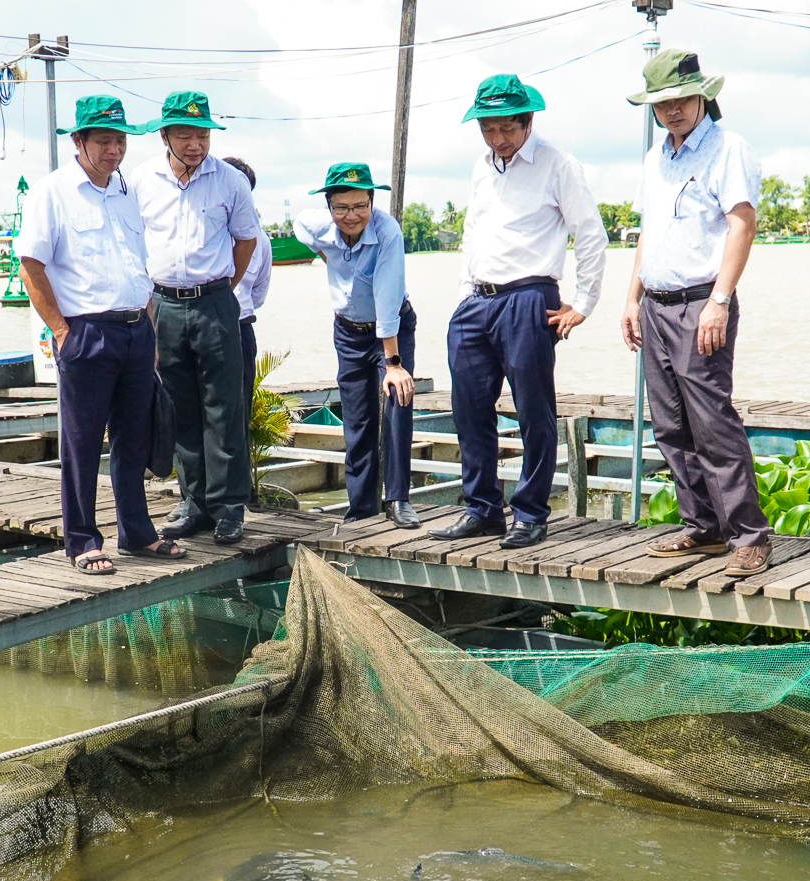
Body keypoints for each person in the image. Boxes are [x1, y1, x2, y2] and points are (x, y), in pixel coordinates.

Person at [428, 74, 607, 549]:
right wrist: (466, 289)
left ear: (527, 121)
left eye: (507, 128)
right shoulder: (481, 167)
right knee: (468, 410)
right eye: (488, 129)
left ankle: (530, 513)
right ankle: (482, 509)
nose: (498, 139)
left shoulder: (558, 163)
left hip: (530, 297)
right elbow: (473, 228)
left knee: (533, 411)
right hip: (477, 301)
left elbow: (589, 234)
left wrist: (584, 304)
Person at [621, 49, 773, 577]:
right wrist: (630, 298)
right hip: (656, 306)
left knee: (712, 422)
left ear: (702, 95)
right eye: (661, 104)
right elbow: (649, 233)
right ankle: (704, 526)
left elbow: (741, 226)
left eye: (681, 99)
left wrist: (720, 301)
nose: (672, 110)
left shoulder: (728, 148)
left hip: (702, 302)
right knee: (669, 425)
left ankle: (749, 535)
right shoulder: (654, 157)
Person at [16, 96, 182, 575]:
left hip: (134, 329)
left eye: (121, 140)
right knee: (82, 441)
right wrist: (62, 330)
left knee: (134, 437)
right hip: (85, 333)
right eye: (105, 140)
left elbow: (136, 263)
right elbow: (30, 266)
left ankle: (137, 532)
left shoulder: (127, 191)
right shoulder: (52, 192)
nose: (114, 150)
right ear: (79, 141)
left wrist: (148, 327)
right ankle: (83, 539)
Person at [131, 91, 260, 545]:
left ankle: (229, 507)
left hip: (215, 301)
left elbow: (246, 240)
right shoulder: (140, 180)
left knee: (224, 406)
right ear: (163, 135)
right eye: (184, 135)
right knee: (178, 403)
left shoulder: (229, 181)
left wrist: (222, 288)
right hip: (163, 304)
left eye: (202, 134)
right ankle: (193, 501)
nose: (195, 144)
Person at [294, 163, 420, 528]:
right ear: (329, 207)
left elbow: (387, 295)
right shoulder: (317, 225)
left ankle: (397, 499)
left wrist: (393, 364)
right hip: (347, 332)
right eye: (342, 208)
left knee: (398, 402)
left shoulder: (387, 231)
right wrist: (329, 255)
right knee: (357, 417)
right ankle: (361, 507)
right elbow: (303, 226)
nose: (352, 216)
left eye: (361, 206)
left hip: (392, 328)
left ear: (372, 202)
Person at [224, 157, 270, 503]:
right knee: (189, 409)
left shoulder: (259, 240)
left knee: (237, 413)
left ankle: (238, 497)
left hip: (239, 327)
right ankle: (196, 498)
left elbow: (258, 292)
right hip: (189, 321)